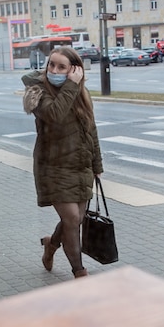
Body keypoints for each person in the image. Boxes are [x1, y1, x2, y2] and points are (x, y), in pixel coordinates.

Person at [22, 46, 103, 279]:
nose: (54, 70)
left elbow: (91, 131)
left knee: (73, 221)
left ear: (73, 70)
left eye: (61, 67)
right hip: (53, 167)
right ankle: (80, 273)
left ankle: (51, 244)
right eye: (51, 65)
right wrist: (72, 85)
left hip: (80, 165)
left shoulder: (79, 93)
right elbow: (55, 116)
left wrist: (97, 165)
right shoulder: (37, 92)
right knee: (73, 219)